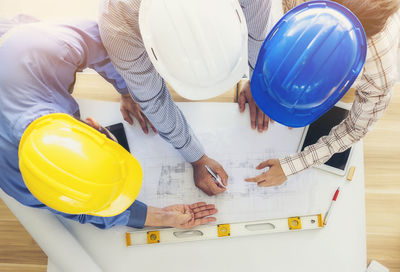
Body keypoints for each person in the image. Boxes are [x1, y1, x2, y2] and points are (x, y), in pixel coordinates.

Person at [0, 18, 217, 230]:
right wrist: (157, 217)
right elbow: (79, 207)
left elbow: (106, 43)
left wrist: (128, 90)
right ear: (93, 124)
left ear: (92, 125)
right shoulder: (23, 185)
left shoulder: (46, 48)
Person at [99, 0, 272, 196]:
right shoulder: (119, 28)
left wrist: (258, 84)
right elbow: (154, 100)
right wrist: (196, 158)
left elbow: (258, 36)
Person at [239, 0, 400, 187]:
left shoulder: (378, 71)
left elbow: (355, 129)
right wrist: (262, 81)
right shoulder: (301, 5)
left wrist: (293, 166)